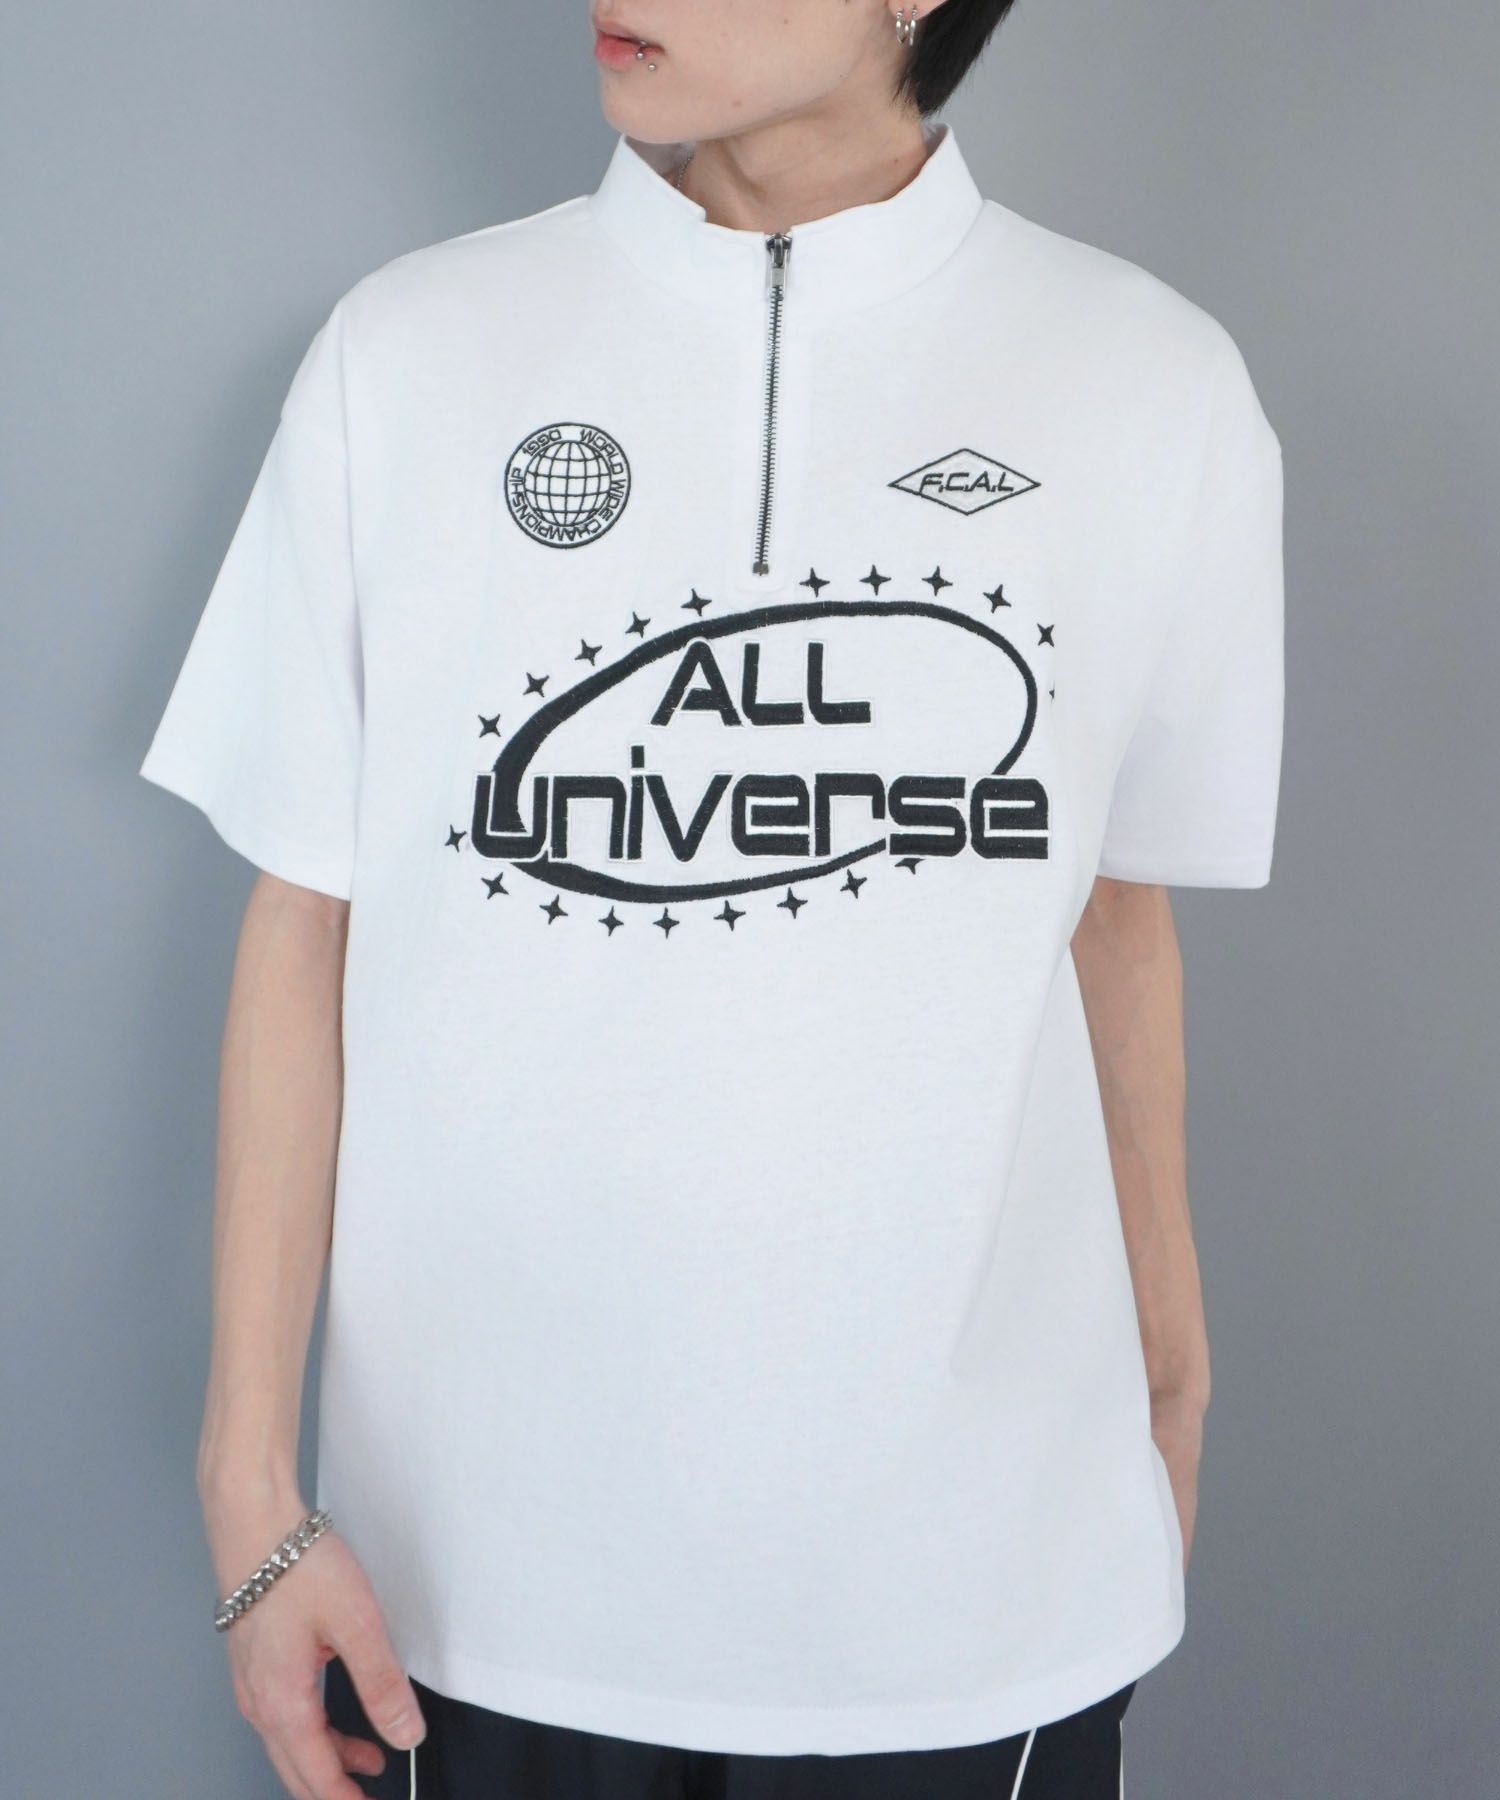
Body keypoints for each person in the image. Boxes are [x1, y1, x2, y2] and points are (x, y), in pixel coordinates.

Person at [140, 1, 1285, 1795]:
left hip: (971, 1601)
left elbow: (1115, 921)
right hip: (472, 1598)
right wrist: (249, 1493)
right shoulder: (412, 350)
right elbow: (307, 919)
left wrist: (1174, 1375)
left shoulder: (1152, 381)